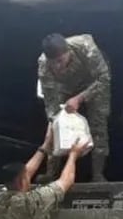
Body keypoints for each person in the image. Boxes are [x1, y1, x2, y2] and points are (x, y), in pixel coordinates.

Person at [38, 32, 112, 182]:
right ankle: (51, 174)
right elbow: (51, 102)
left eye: (60, 60)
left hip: (94, 82)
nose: (57, 66)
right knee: (55, 127)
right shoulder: (44, 66)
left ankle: (98, 174)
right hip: (65, 86)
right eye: (53, 63)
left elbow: (104, 78)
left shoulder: (85, 47)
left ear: (69, 52)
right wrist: (53, 120)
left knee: (98, 125)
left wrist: (79, 98)